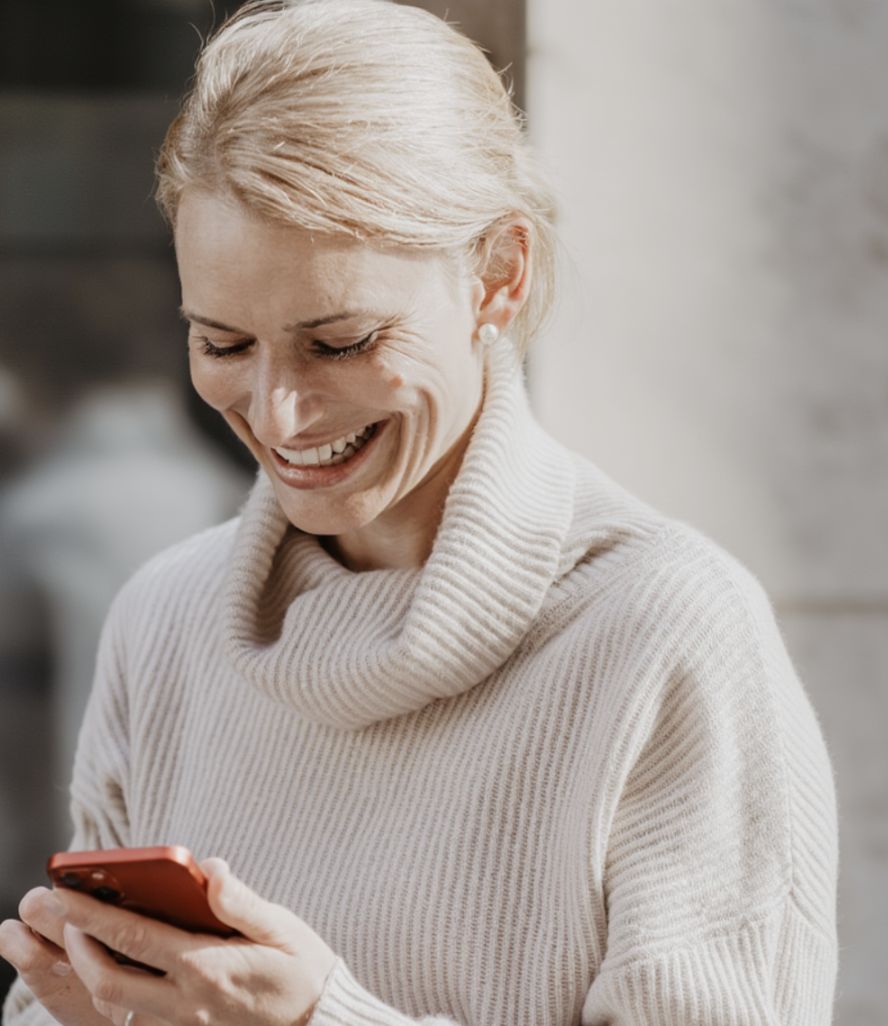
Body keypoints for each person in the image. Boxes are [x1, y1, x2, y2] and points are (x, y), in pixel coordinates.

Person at [0, 1, 838, 1024]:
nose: (280, 413)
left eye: (341, 341)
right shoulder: (164, 623)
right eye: (223, 345)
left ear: (499, 274)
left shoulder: (666, 631)